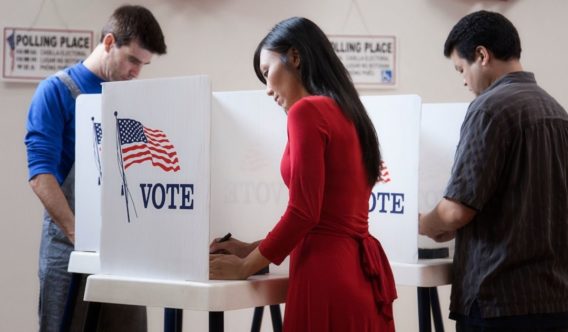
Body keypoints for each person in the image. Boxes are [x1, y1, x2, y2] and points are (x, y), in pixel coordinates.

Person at [209, 17, 397, 331]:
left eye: (268, 72)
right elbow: (328, 216)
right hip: (361, 275)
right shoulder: (350, 112)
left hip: (325, 275)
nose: (268, 90)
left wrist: (245, 266)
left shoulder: (306, 112)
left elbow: (304, 213)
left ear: (295, 57)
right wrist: (255, 249)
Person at [419, 10, 568, 331]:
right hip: (556, 300)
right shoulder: (557, 112)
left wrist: (424, 224)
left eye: (461, 68)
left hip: (499, 301)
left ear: (481, 55)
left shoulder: (489, 108)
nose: (462, 79)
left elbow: (455, 212)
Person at [25, 5, 166, 331]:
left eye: (144, 65)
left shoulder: (128, 99)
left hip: (123, 254)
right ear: (108, 42)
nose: (136, 72)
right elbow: (40, 174)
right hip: (67, 250)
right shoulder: (56, 91)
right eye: (132, 60)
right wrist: (80, 235)